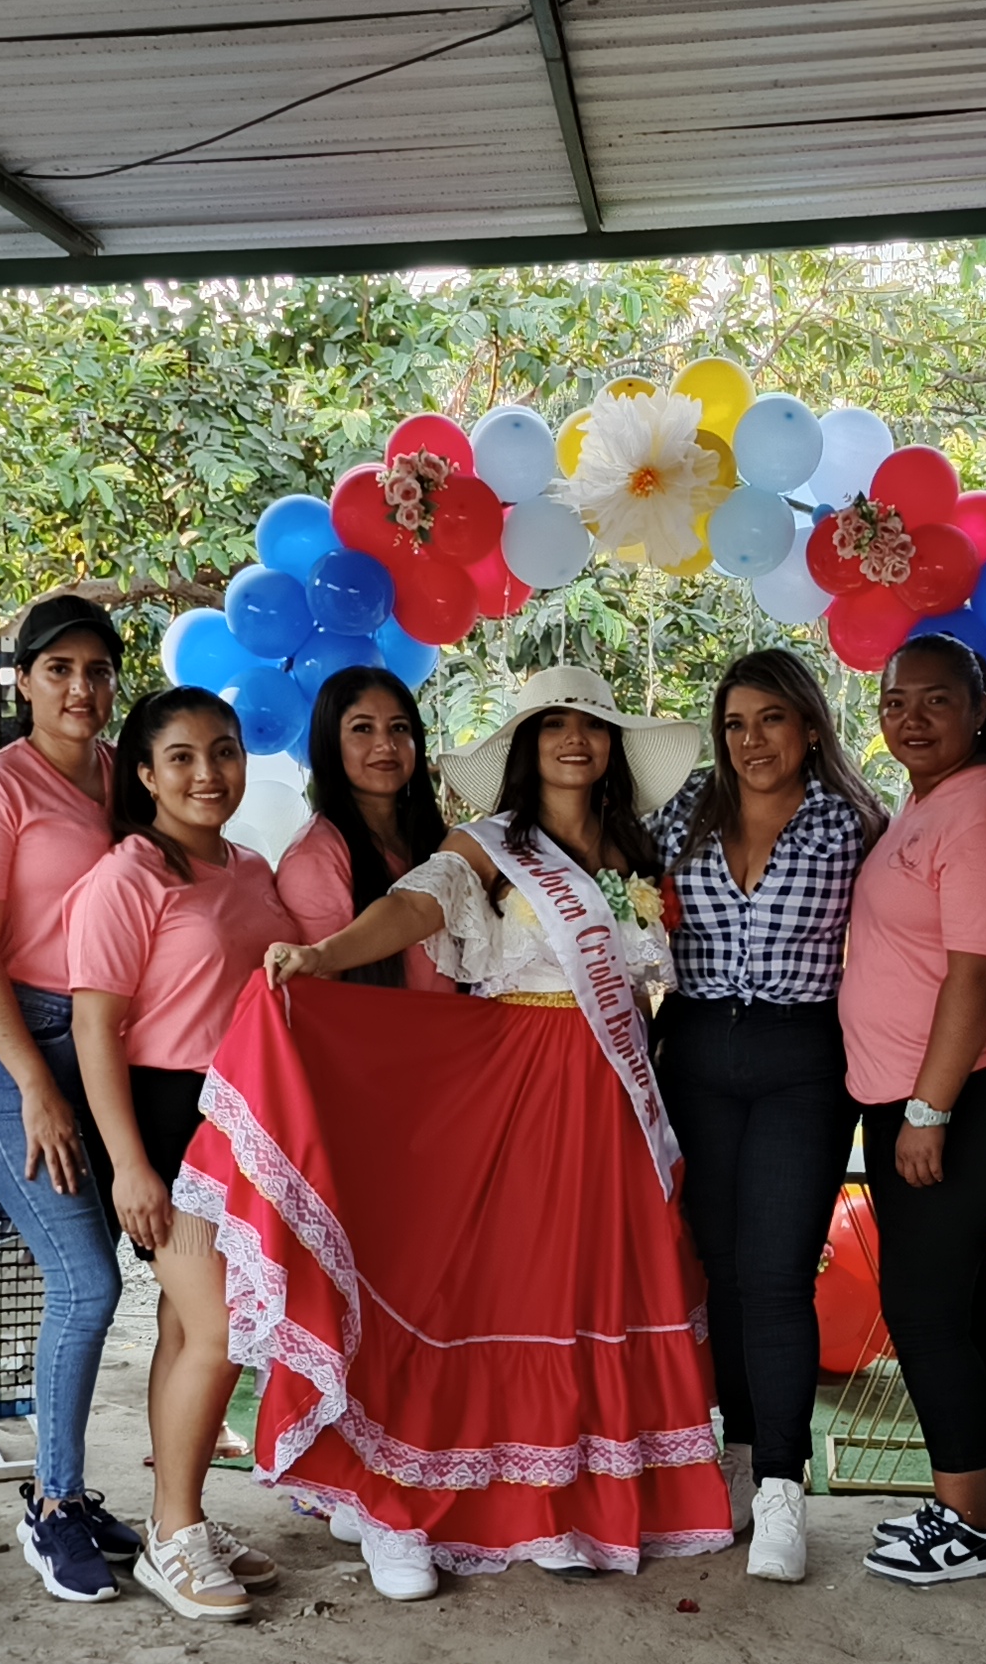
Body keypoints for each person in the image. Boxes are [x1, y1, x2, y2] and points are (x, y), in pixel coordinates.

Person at [209, 665, 723, 1598]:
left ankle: (563, 1500)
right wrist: (325, 954)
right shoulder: (488, 843)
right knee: (485, 1288)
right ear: (525, 748)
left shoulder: (635, 847)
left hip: (612, 1097)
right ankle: (397, 1498)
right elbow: (418, 904)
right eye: (553, 726)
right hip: (514, 1085)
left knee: (586, 1286)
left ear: (613, 746)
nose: (575, 741)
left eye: (592, 725)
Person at [68, 685, 304, 1622]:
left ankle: (181, 1517)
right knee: (219, 1330)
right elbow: (96, 1030)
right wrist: (129, 1164)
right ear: (144, 774)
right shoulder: (126, 878)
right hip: (166, 1122)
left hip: (243, 1118)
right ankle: (174, 1534)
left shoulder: (251, 868)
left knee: (184, 1330)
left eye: (225, 752)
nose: (209, 774)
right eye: (182, 757)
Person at [650, 648, 879, 1581]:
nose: (752, 741)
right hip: (696, 1051)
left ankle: (785, 1488)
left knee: (779, 1271)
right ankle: (740, 1460)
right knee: (723, 1270)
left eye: (772, 720)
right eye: (736, 724)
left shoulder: (854, 822)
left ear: (810, 726)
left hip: (803, 1058)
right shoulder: (685, 809)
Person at [844, 635, 986, 1587]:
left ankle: (965, 1522)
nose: (912, 718)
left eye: (937, 700)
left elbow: (977, 973)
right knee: (956, 1301)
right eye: (896, 702)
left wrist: (929, 1111)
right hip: (913, 1092)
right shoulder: (932, 802)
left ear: (979, 709)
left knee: (924, 1306)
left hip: (966, 1096)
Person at [0, 594, 149, 1602]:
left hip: (112, 1043)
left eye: (97, 670)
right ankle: (53, 1506)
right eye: (59, 669)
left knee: (95, 1277)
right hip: (15, 1047)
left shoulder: (125, 774)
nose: (80, 688)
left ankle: (67, 1488)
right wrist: (33, 1082)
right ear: (22, 680)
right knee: (87, 1284)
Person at [276, 663, 453, 992]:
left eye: (399, 728)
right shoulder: (315, 857)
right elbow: (319, 996)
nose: (386, 744)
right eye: (362, 728)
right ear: (331, 742)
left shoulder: (435, 839)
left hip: (460, 1023)